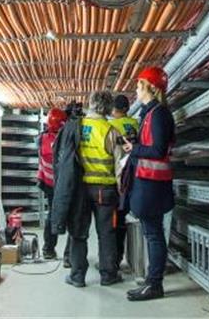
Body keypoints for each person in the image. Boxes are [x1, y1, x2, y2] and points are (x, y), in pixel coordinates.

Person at [121, 67, 175, 302]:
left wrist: (135, 148)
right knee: (151, 233)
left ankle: (155, 284)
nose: (136, 88)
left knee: (153, 235)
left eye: (139, 84)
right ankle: (153, 280)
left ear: (150, 87)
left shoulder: (160, 113)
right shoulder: (150, 113)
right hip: (148, 183)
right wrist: (135, 144)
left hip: (152, 185)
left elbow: (158, 149)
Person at [64, 91, 122, 288]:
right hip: (105, 190)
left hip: (80, 189)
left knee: (79, 232)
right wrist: (122, 192)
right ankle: (108, 275)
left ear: (90, 104)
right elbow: (120, 165)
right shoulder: (111, 131)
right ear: (108, 107)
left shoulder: (76, 127)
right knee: (106, 233)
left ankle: (77, 275)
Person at [107, 94, 139, 271]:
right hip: (136, 177)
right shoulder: (135, 124)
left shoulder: (112, 126)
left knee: (117, 222)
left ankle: (116, 259)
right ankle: (135, 257)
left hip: (120, 179)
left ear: (113, 109)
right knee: (133, 219)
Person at [36, 107, 67, 260]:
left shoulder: (42, 138)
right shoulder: (61, 140)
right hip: (61, 184)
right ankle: (68, 256)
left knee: (52, 215)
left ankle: (48, 249)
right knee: (70, 217)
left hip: (48, 182)